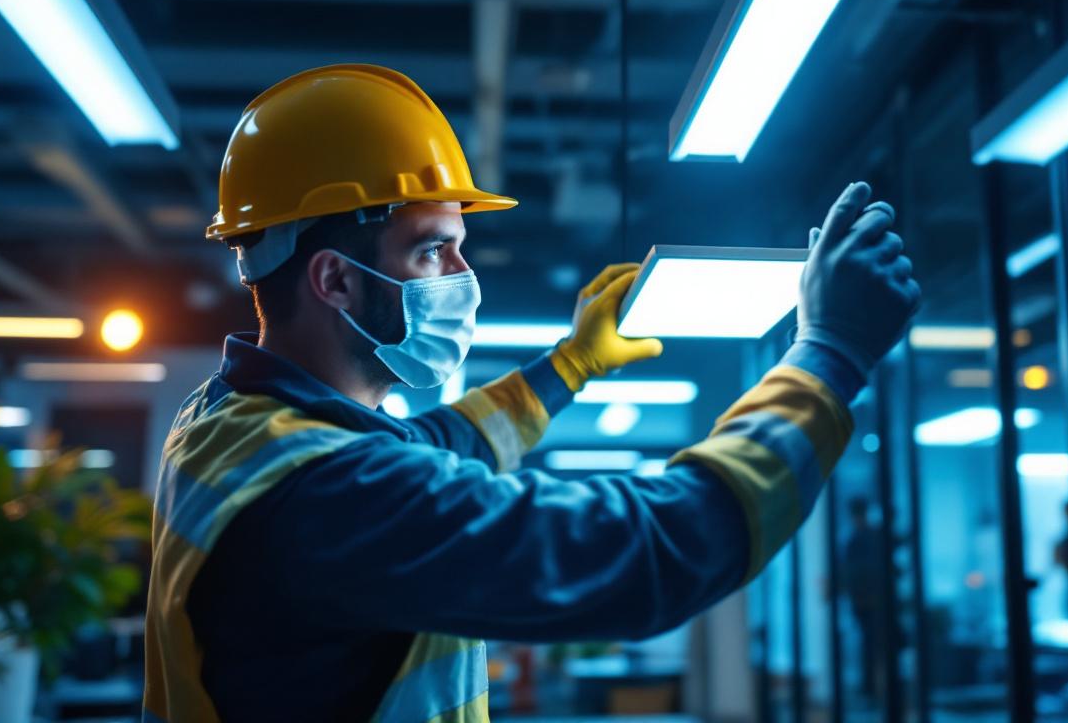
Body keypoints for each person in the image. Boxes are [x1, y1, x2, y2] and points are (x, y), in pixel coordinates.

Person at [141, 64, 920, 723]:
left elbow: (432, 449)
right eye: (432, 252)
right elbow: (644, 553)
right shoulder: (324, 494)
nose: (461, 280)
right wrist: (827, 359)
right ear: (336, 279)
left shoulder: (228, 423)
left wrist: (570, 364)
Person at [841, 496, 887, 703]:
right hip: (867, 601)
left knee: (873, 645)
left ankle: (874, 688)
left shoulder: (862, 538)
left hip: (870, 600)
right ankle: (872, 688)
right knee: (871, 645)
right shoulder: (865, 537)